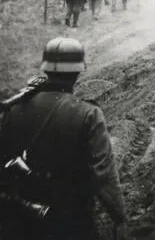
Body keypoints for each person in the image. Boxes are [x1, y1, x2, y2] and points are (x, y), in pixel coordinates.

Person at [0, 37, 126, 240]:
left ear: (46, 69)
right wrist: (119, 217)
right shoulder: (89, 114)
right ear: (77, 72)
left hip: (18, 221)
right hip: (68, 222)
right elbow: (104, 175)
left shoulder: (14, 109)